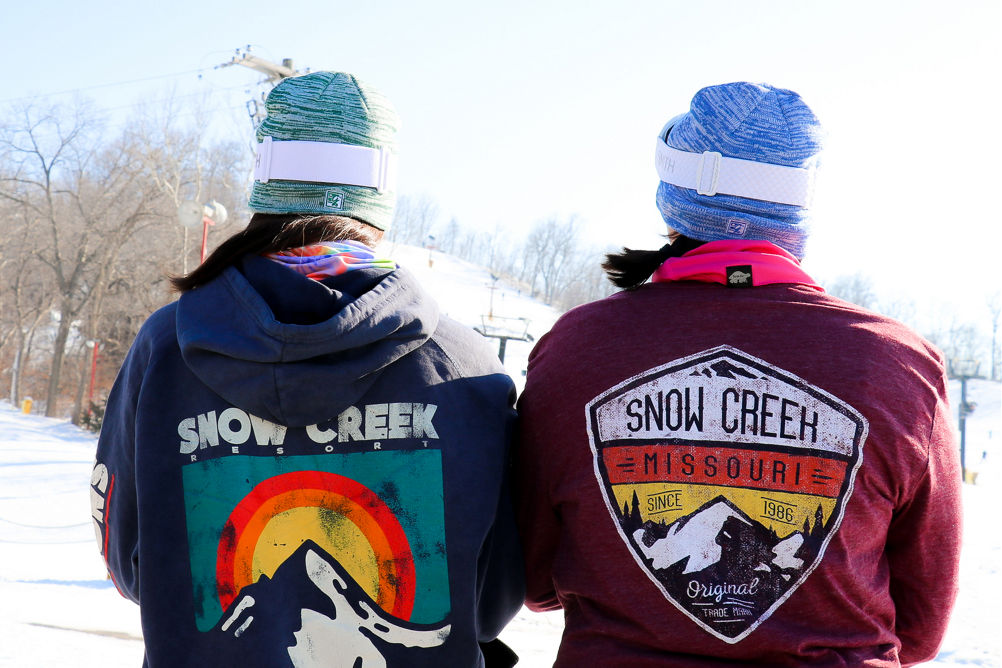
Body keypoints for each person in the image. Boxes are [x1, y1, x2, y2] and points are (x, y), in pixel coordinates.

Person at [514, 82, 961, 667]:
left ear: (674, 192)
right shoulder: (899, 363)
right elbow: (922, 627)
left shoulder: (576, 348)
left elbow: (534, 577)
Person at [90, 71, 523, 668]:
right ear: (381, 188)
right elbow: (494, 596)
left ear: (267, 178)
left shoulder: (169, 346)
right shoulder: (466, 366)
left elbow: (128, 558)